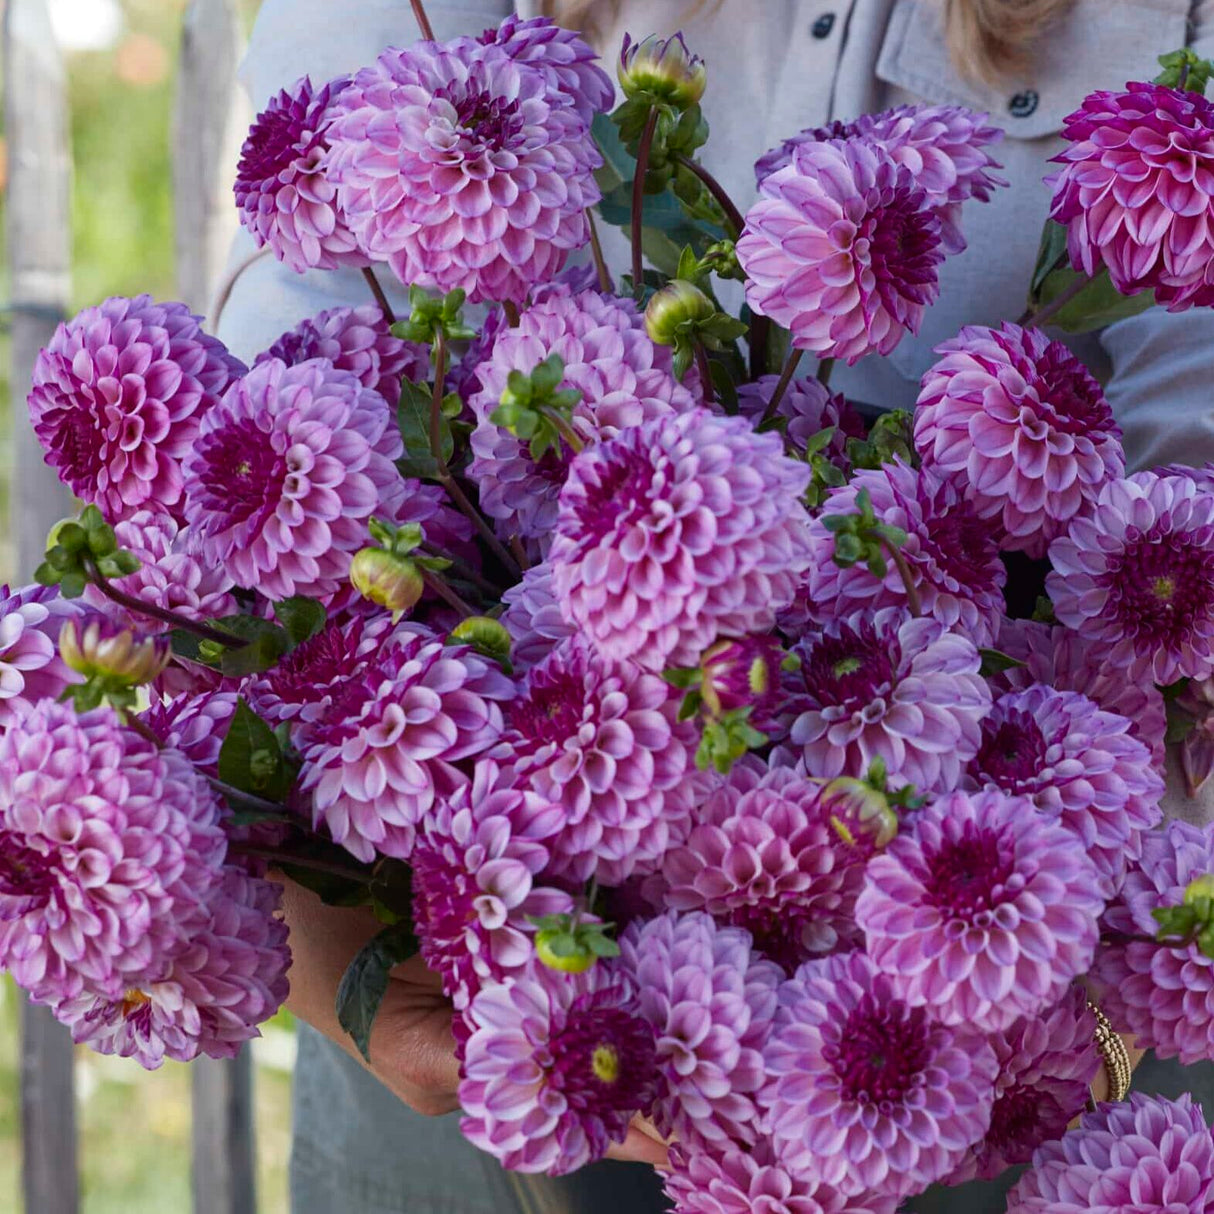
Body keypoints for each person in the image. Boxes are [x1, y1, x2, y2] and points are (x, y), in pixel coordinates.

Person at [215, 2, 1214, 1210]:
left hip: (1018, 1043)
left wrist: (1068, 974)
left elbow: (1189, 475)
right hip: (448, 987)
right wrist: (348, 966)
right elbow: (302, 307)